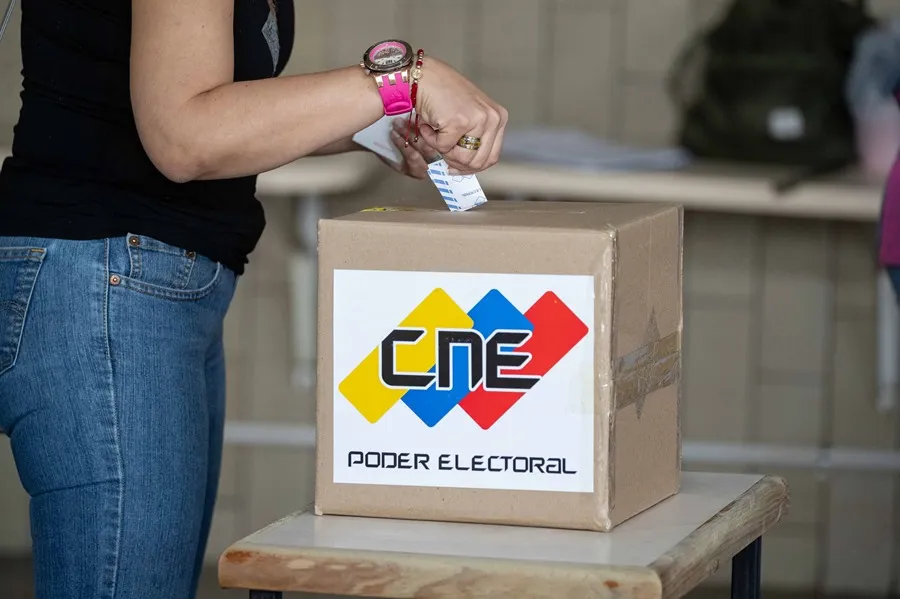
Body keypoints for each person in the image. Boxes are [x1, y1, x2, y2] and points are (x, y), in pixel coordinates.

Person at [0, 0, 508, 597]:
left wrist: (385, 119)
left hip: (139, 285)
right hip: (104, 287)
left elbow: (218, 106)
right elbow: (188, 137)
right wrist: (401, 79)